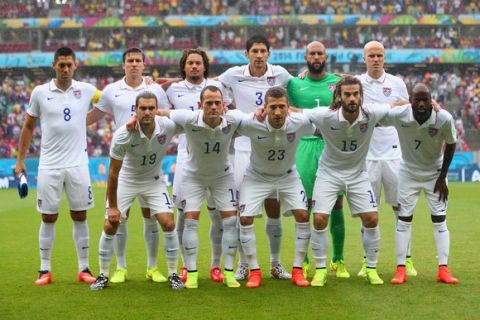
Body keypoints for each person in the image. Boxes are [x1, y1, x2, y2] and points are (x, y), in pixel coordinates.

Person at [298, 75, 406, 286]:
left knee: (372, 219)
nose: (352, 98)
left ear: (361, 95)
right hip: (328, 174)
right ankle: (320, 270)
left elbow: (396, 105)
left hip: (357, 175)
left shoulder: (371, 114)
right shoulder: (325, 115)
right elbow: (297, 112)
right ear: (339, 96)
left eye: (355, 94)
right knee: (319, 219)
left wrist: (431, 103)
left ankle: (371, 269)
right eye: (347, 94)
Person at [15, 47, 101, 286]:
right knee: (48, 217)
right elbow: (29, 126)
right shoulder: (40, 92)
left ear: (75, 66)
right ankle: (44, 270)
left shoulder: (86, 90)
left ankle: (83, 267)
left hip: (78, 165)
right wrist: (20, 160)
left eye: (69, 65)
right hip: (49, 166)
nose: (65, 69)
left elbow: (108, 101)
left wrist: (86, 121)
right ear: (54, 65)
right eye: (61, 65)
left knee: (80, 215)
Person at [87, 47, 171, 284]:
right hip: (124, 159)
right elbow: (95, 115)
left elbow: (165, 113)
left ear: (144, 65)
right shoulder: (111, 90)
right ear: (123, 65)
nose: (134, 64)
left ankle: (152, 267)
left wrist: (168, 82)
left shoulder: (154, 89)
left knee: (151, 216)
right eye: (130, 60)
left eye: (138, 61)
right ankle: (120, 267)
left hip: (149, 160)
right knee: (119, 218)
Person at [90, 91, 184, 290]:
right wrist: (113, 207)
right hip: (126, 180)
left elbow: (190, 120)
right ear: (136, 110)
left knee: (168, 223)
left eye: (151, 108)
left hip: (153, 180)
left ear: (156, 110)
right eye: (143, 108)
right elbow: (113, 173)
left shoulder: (167, 126)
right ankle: (103, 275)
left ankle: (173, 273)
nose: (147, 112)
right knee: (110, 225)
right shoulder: (124, 133)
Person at [218, 34, 293, 281]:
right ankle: (243, 264)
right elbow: (213, 92)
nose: (259, 55)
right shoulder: (232, 75)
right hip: (243, 147)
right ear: (247, 54)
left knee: (273, 207)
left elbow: (299, 87)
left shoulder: (280, 74)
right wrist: (244, 116)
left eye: (263, 51)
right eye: (255, 51)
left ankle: (275, 263)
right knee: (244, 210)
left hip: (272, 145)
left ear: (269, 54)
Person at [161, 86, 244, 288]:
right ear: (200, 105)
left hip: (222, 176)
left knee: (230, 221)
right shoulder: (188, 118)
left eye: (217, 103)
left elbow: (256, 117)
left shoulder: (233, 119)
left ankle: (229, 272)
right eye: (209, 103)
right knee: (190, 221)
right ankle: (191, 273)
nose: (213, 107)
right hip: (193, 177)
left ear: (224, 105)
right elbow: (159, 112)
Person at [237, 87, 314, 288]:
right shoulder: (252, 123)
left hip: (288, 176)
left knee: (303, 215)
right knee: (244, 218)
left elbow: (320, 122)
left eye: (282, 107)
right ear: (265, 108)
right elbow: (228, 119)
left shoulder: (300, 122)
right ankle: (254, 271)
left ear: (289, 108)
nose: (278, 112)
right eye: (273, 107)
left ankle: (297, 270)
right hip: (256, 177)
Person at [382, 83, 459, 285]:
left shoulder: (444, 118)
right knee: (404, 220)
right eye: (417, 99)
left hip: (435, 173)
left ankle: (443, 269)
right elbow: (376, 117)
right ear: (411, 100)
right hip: (408, 173)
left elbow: (451, 145)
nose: (422, 103)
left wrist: (442, 177)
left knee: (440, 220)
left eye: (426, 99)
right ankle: (401, 269)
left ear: (432, 99)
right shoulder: (400, 115)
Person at [166, 48, 231, 283]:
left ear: (205, 66)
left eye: (198, 63)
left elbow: (230, 115)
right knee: (184, 215)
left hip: (216, 158)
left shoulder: (218, 88)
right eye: (190, 63)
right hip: (186, 158)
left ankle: (216, 265)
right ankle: (186, 266)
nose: (194, 66)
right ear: (184, 66)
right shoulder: (173, 89)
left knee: (217, 215)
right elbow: (164, 116)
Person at [287, 41, 349, 279]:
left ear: (325, 56)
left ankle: (338, 260)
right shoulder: (294, 83)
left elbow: (357, 87)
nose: (315, 57)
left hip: (332, 147)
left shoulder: (338, 82)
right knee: (303, 205)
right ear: (305, 57)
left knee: (336, 204)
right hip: (303, 147)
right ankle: (302, 262)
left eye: (319, 53)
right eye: (311, 53)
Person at [356, 41, 416, 278]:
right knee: (367, 211)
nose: (376, 59)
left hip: (393, 153)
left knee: (400, 208)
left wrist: (403, 104)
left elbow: (408, 110)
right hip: (368, 154)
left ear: (385, 57)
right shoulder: (357, 83)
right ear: (364, 58)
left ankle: (407, 260)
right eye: (371, 55)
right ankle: (367, 261)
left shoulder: (397, 83)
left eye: (379, 55)